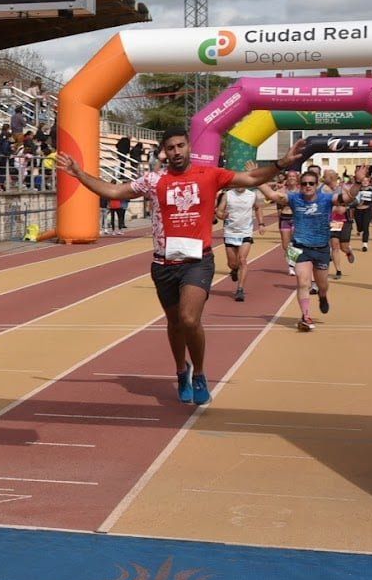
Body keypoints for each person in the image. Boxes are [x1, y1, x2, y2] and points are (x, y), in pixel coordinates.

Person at [57, 128, 306, 404]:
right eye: (171, 148)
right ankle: (180, 370)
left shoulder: (209, 174)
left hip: (197, 261)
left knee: (189, 319)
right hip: (163, 263)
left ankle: (198, 373)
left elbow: (251, 178)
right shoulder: (154, 180)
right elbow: (115, 190)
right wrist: (79, 174)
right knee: (175, 323)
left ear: (189, 147)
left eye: (180, 146)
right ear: (165, 152)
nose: (176, 152)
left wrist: (282, 163)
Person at [259, 169, 354, 331]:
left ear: (316, 185)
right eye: (304, 184)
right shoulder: (294, 198)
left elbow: (348, 197)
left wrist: (357, 182)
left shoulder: (326, 199)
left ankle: (322, 296)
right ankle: (305, 316)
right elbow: (272, 195)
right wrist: (257, 179)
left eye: (311, 183)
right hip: (301, 247)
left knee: (322, 285)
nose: (307, 186)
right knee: (303, 283)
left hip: (321, 248)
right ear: (300, 185)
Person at [216, 180, 264, 302]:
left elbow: (258, 208)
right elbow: (219, 211)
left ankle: (240, 289)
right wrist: (222, 215)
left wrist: (261, 224)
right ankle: (234, 270)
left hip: (246, 232)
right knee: (232, 263)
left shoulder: (252, 195)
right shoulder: (228, 195)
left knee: (242, 260)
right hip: (230, 232)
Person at [323, 169, 356, 279]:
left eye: (325, 176)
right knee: (334, 246)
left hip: (345, 220)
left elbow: (353, 201)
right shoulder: (323, 190)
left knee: (343, 247)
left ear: (332, 177)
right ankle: (338, 270)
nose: (323, 178)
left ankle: (348, 251)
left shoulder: (343, 188)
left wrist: (344, 206)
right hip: (333, 221)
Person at [352, 171, 372, 251]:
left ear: (368, 182)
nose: (365, 182)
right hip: (358, 211)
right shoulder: (357, 190)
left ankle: (365, 244)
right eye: (363, 181)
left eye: (366, 181)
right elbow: (352, 199)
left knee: (366, 227)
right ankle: (359, 230)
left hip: (367, 210)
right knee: (360, 227)